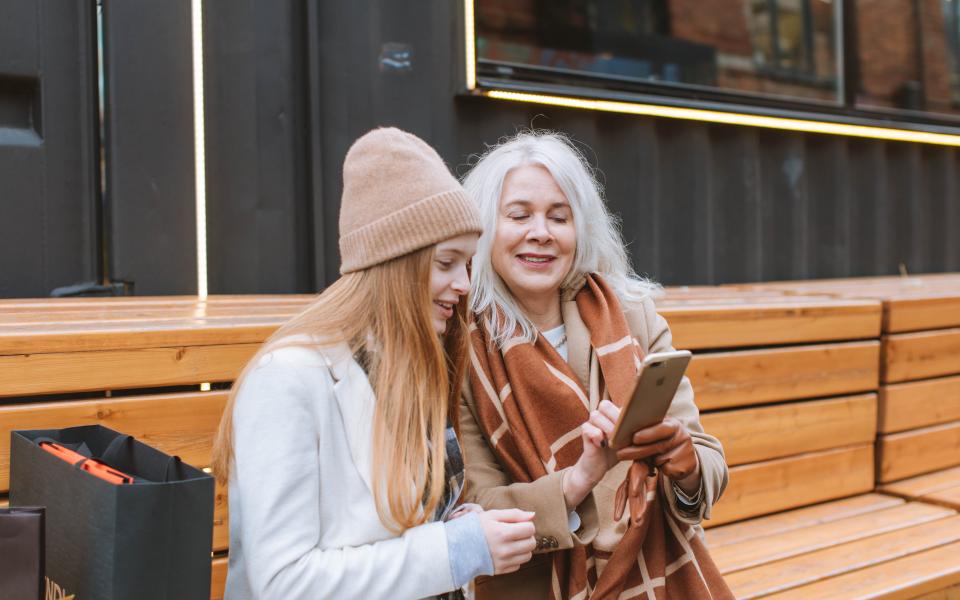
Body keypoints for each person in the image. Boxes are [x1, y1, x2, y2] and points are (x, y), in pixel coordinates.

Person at [211, 127, 537, 599]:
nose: (464, 284)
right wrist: (456, 549)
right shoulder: (287, 380)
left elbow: (395, 529)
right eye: (447, 262)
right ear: (394, 263)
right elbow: (284, 584)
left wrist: (460, 527)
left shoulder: (411, 365)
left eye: (466, 265)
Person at [459, 131, 732, 599]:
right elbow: (475, 505)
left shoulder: (633, 315)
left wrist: (684, 465)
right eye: (519, 215)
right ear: (484, 229)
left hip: (657, 569)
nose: (541, 232)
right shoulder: (463, 351)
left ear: (579, 229)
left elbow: (709, 466)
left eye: (559, 217)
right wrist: (579, 479)